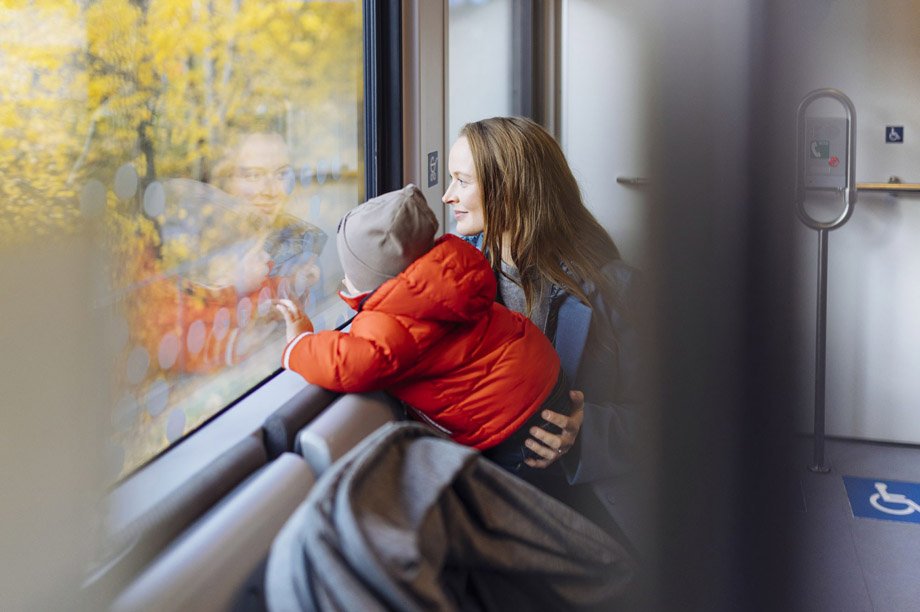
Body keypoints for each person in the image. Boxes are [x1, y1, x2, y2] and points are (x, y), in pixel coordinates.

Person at [443, 116, 645, 553]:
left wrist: (585, 430)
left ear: (508, 190)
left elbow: (671, 419)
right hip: (486, 495)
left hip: (582, 504)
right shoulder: (449, 276)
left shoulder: (618, 289)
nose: (448, 195)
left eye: (462, 181)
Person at [275, 184, 574, 470]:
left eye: (349, 275)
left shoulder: (392, 317)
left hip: (512, 421)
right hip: (546, 375)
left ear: (368, 281)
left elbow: (353, 363)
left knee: (498, 484)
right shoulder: (452, 271)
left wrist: (300, 343)